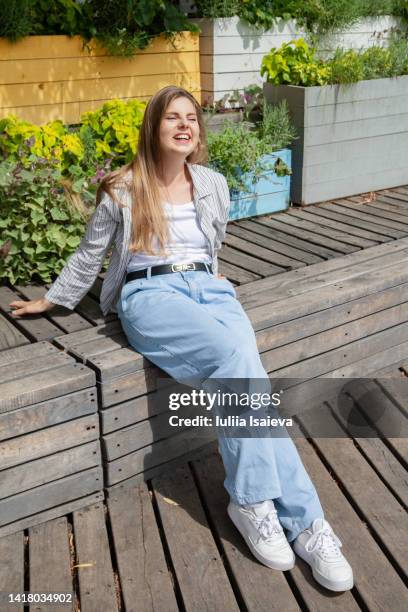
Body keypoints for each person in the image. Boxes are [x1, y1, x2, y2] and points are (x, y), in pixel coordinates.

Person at [9, 85, 353, 592]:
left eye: (192, 117)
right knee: (240, 361)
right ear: (154, 126)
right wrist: (53, 299)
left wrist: (209, 284)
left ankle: (293, 520)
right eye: (173, 117)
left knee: (248, 382)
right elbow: (90, 254)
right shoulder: (123, 187)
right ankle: (275, 508)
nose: (185, 125)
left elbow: (215, 243)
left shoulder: (212, 182)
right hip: (151, 295)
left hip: (210, 290)